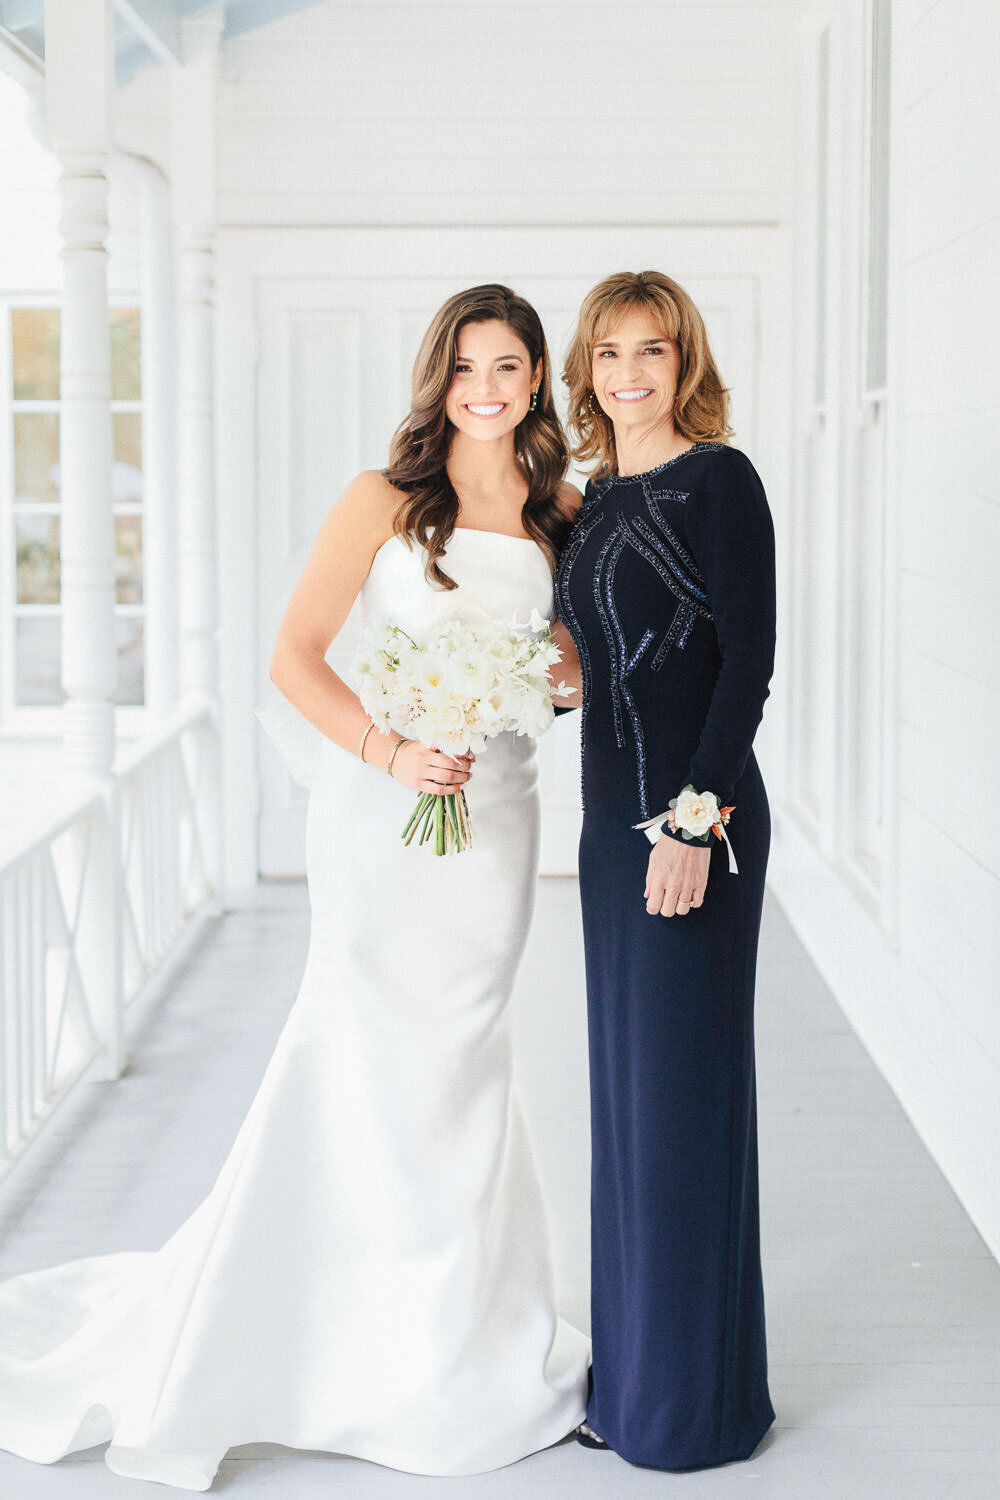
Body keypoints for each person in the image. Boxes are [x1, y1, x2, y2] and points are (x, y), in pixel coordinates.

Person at [0, 284, 589, 1490]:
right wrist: (391, 747)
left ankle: (462, 1340)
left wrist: (540, 683)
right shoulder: (384, 501)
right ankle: (322, 1327)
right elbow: (294, 657)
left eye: (511, 366)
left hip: (496, 819)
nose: (489, 388)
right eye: (468, 366)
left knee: (467, 1060)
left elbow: (574, 661)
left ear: (537, 380)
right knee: (370, 1051)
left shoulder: (563, 511)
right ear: (440, 377)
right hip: (385, 815)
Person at [552, 270, 776, 1470]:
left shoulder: (717, 481)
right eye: (607, 353)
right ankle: (635, 1385)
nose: (629, 372)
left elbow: (743, 667)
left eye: (653, 350)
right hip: (605, 834)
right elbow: (611, 660)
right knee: (629, 1111)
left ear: (686, 362)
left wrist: (693, 826)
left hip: (694, 831)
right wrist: (550, 678)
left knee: (681, 1111)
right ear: (586, 370)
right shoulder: (592, 497)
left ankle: (691, 1414)